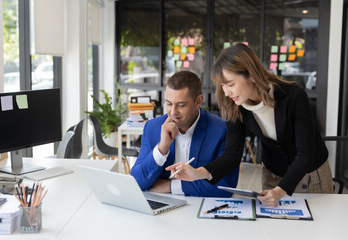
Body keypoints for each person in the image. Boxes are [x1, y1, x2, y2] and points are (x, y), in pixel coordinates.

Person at [167, 43, 333, 206]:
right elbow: (232, 155)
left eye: (230, 84)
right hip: (273, 174)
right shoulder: (235, 104)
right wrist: (197, 173)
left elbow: (306, 153)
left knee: (317, 230)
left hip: (311, 174)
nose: (226, 92)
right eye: (223, 86)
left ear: (252, 75)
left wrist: (280, 190)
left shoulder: (293, 96)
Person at [131, 70, 239, 197]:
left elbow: (226, 186)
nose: (172, 112)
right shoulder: (152, 127)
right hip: (162, 205)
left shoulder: (221, 129)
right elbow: (136, 182)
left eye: (181, 105)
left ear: (198, 101)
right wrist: (162, 148)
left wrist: (171, 186)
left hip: (200, 207)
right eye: (169, 104)